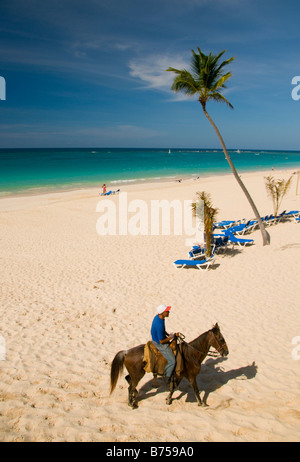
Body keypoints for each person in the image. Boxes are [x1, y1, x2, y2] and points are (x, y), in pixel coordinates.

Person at [151, 304, 177, 388]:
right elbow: (161, 341)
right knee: (172, 361)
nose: (168, 312)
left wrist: (168, 334)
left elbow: (163, 331)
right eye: (167, 311)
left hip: (158, 338)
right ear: (162, 312)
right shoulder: (159, 324)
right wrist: (170, 337)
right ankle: (167, 377)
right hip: (159, 343)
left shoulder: (159, 318)